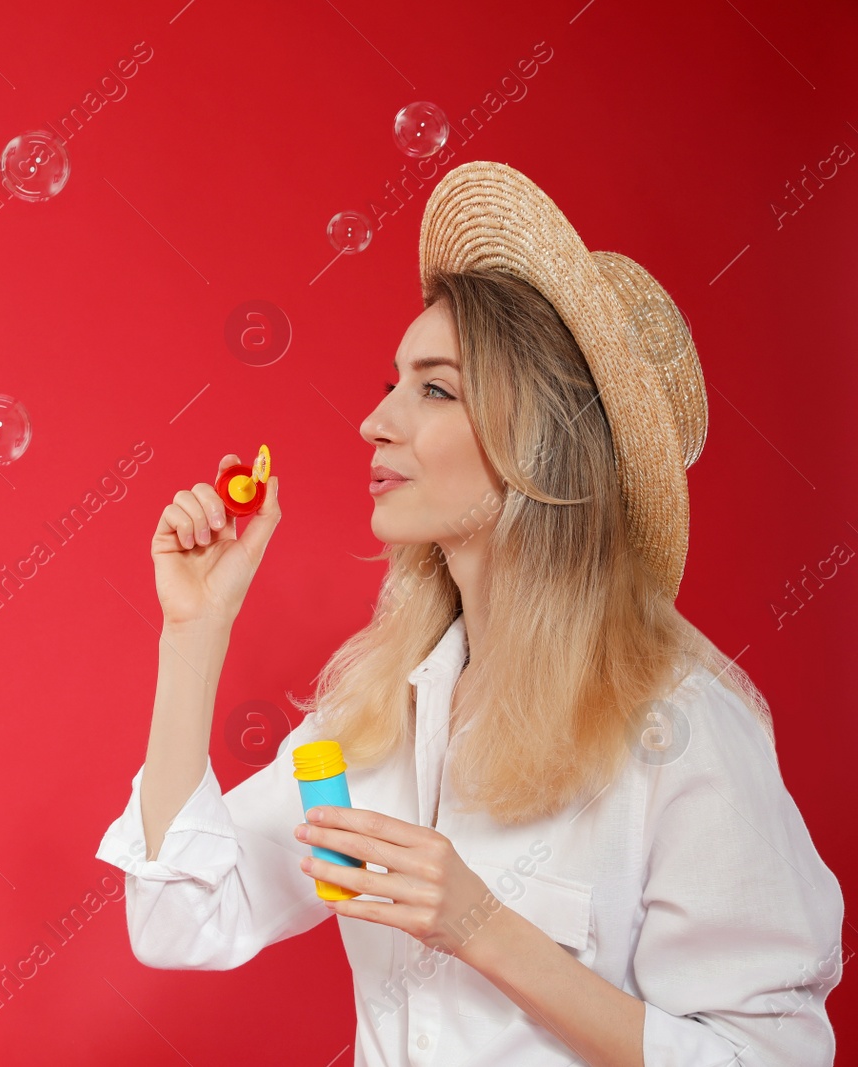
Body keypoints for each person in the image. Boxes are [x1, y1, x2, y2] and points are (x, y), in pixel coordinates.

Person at [94, 161, 844, 1066]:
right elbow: (181, 918)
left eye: (435, 389)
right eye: (392, 383)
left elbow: (765, 1057)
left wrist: (483, 925)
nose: (375, 421)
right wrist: (194, 631)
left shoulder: (677, 728)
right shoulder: (381, 712)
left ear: (540, 444)